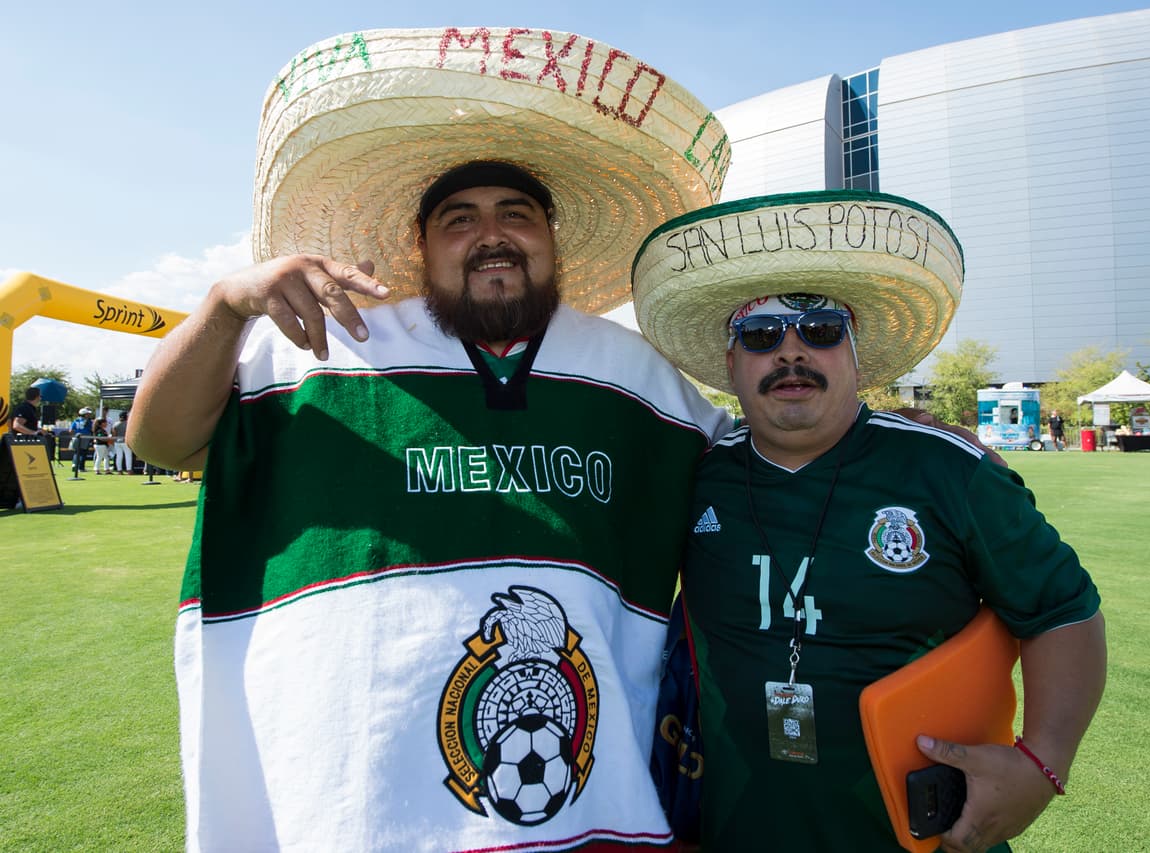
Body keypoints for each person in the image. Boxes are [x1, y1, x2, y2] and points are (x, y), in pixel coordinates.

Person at [127, 28, 735, 852]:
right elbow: (160, 439)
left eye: (516, 213)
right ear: (420, 246)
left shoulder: (634, 372)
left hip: (583, 801)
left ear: (552, 238)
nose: (492, 233)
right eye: (459, 218)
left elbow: (759, 470)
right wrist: (225, 305)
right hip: (354, 806)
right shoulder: (324, 345)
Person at [632, 192, 1107, 853]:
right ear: (732, 364)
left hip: (929, 837)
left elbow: (1063, 610)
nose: (791, 352)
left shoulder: (947, 468)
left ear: (856, 356)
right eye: (761, 335)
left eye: (821, 330)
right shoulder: (696, 472)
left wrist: (1044, 760)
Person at [69, 407, 94, 477]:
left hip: (76, 437)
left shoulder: (76, 420)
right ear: (84, 414)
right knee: (83, 452)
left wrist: (74, 435)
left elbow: (70, 430)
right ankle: (81, 467)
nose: (88, 415)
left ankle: (74, 464)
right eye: (87, 414)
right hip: (85, 437)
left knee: (76, 452)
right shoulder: (88, 421)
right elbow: (92, 429)